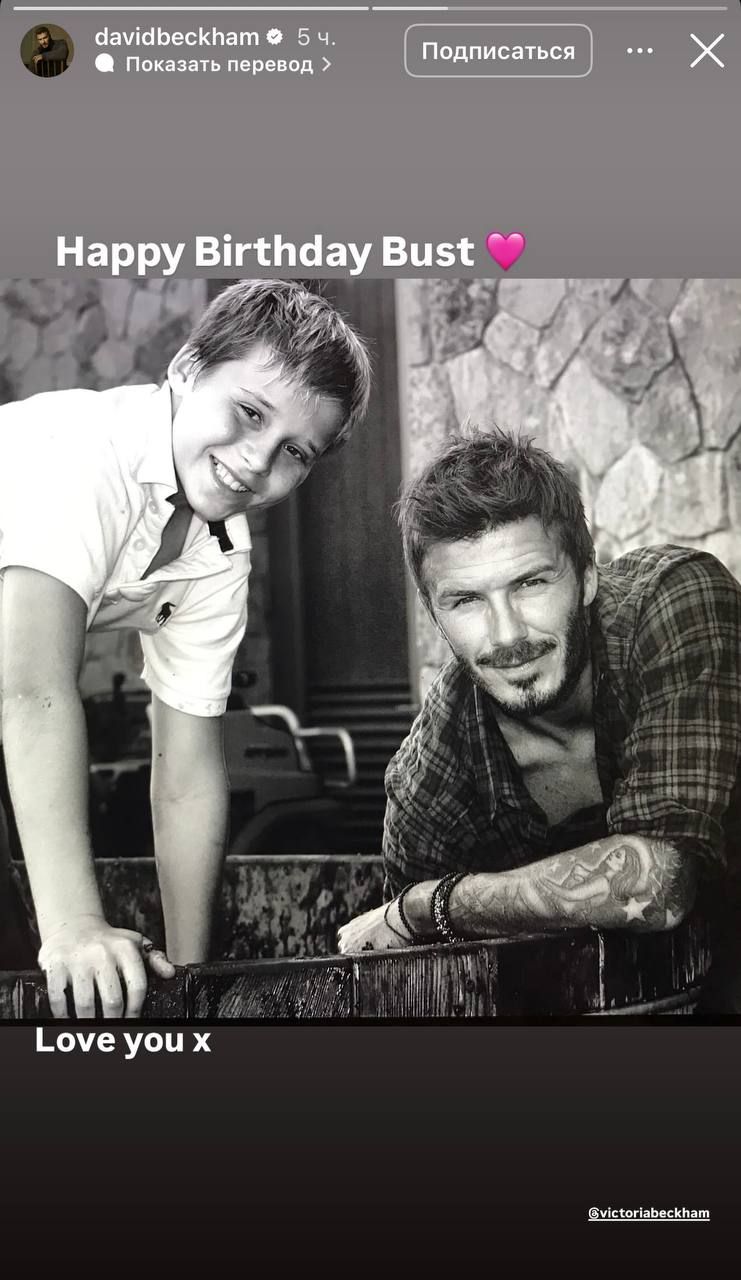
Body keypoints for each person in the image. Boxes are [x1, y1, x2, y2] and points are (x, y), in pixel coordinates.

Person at [0, 279, 371, 1017]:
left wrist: (193, 986)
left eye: (294, 451)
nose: (257, 461)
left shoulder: (219, 554)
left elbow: (188, 775)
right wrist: (75, 927)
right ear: (186, 369)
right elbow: (33, 689)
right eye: (249, 412)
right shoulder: (86, 455)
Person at [337, 428, 741, 1013]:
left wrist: (432, 906)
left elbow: (658, 884)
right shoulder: (430, 780)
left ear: (587, 576)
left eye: (530, 583)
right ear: (433, 615)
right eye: (466, 600)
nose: (507, 635)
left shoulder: (675, 604)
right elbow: (419, 986)